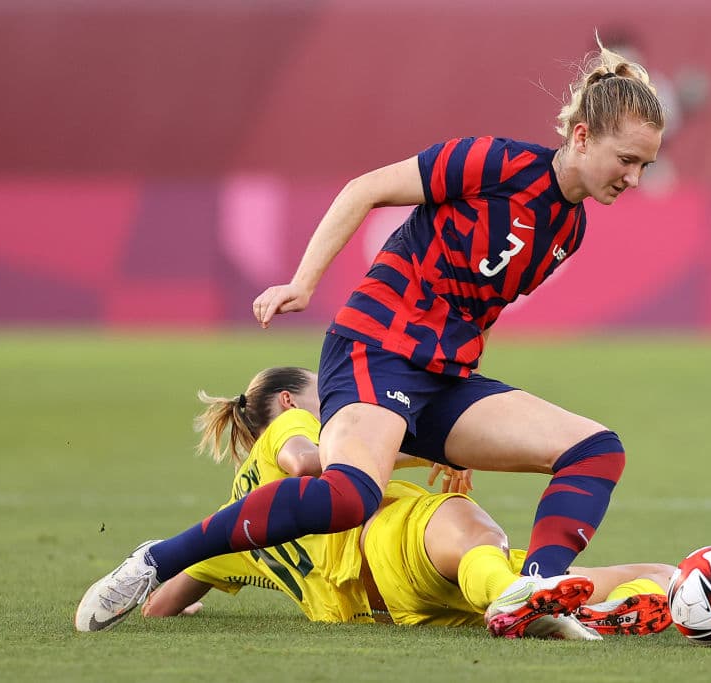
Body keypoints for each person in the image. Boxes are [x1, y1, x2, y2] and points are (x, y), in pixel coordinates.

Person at [76, 39, 666, 638]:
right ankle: (156, 561)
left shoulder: (571, 227)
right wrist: (304, 283)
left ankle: (534, 592)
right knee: (349, 498)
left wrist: (456, 435)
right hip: (376, 346)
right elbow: (365, 189)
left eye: (645, 165)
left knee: (596, 449)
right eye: (628, 159)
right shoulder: (497, 162)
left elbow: (483, 308)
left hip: (444, 376)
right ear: (584, 136)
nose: (635, 178)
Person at [134, 367, 675, 639]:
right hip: (383, 543)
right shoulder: (294, 425)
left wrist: (188, 604)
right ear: (289, 401)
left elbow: (160, 603)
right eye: (329, 393)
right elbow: (304, 462)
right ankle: (521, 600)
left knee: (643, 576)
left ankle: (659, 591)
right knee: (464, 522)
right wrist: (407, 453)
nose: (343, 406)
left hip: (386, 610)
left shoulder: (236, 523)